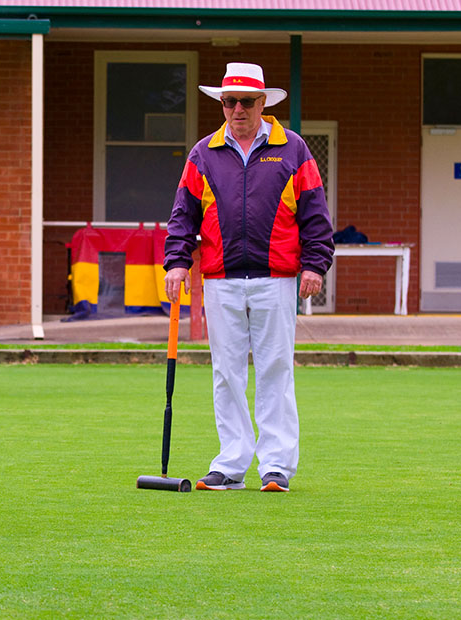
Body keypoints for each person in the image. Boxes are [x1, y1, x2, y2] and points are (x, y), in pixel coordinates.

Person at [164, 63, 334, 492]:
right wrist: (177, 261)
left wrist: (315, 263)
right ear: (221, 104)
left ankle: (276, 466)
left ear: (263, 103)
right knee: (226, 372)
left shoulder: (293, 150)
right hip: (219, 279)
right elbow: (183, 215)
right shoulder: (203, 153)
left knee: (276, 368)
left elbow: (316, 215)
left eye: (246, 101)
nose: (237, 109)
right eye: (229, 101)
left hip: (276, 278)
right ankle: (231, 464)